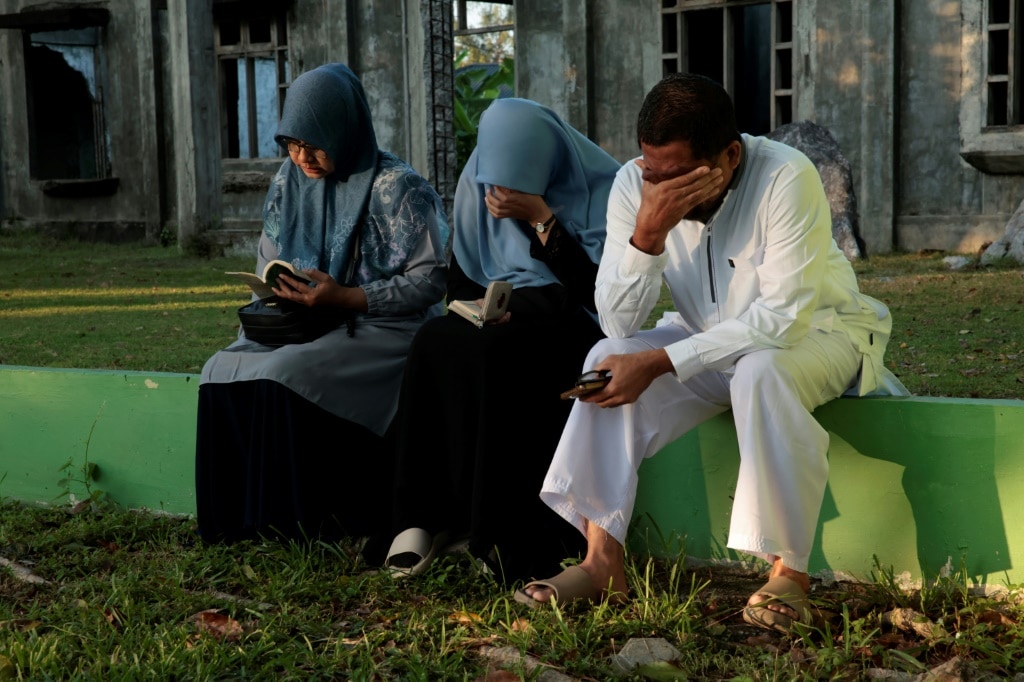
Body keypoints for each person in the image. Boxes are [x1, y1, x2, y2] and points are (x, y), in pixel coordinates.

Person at [513, 73, 908, 632]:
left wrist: (661, 362)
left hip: (820, 335)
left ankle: (789, 575)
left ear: (729, 155)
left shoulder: (785, 176)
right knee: (606, 357)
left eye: (680, 178)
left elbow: (782, 317)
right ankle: (602, 563)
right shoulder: (637, 184)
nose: (663, 189)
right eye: (654, 174)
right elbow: (618, 321)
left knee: (760, 370)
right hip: (707, 338)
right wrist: (646, 234)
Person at [195, 63, 450, 561]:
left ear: (345, 129)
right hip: (303, 322)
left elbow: (431, 281)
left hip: (381, 327)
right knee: (218, 368)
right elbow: (270, 259)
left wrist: (348, 298)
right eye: (292, 144)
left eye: (315, 144)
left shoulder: (400, 188)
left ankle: (301, 523)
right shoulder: (289, 181)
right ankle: (238, 523)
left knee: (286, 372)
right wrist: (271, 302)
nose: (302, 157)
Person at [384, 98, 621, 583]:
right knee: (434, 339)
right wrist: (479, 309)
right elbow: (464, 277)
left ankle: (496, 528)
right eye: (494, 181)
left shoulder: (605, 190)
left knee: (501, 355)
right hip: (501, 316)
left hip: (570, 318)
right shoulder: (478, 184)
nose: (498, 194)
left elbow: (596, 292)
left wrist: (540, 216)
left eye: (513, 182)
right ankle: (423, 516)